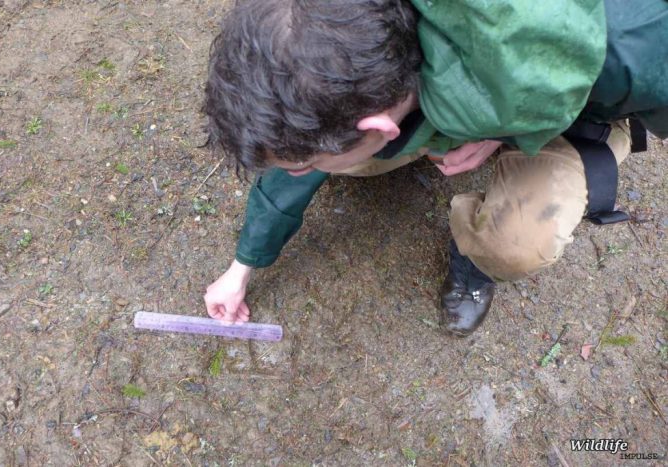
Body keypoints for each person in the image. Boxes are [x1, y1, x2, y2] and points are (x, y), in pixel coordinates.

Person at [202, 0, 668, 335]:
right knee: (341, 158)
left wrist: (502, 125)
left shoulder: (630, 53)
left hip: (576, 104)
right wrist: (244, 264)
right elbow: (298, 122)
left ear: (380, 126)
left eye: (304, 165)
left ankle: (476, 257)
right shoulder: (327, 39)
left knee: (521, 242)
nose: (299, 171)